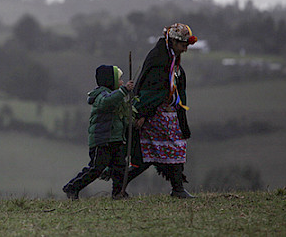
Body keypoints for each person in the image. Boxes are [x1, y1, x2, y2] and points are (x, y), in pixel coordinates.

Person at [123, 23, 197, 198]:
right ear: (173, 41)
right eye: (183, 45)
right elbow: (150, 92)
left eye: (187, 45)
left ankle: (177, 188)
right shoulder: (159, 60)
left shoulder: (171, 60)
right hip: (156, 116)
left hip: (169, 117)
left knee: (164, 152)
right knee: (159, 152)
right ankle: (176, 188)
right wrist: (142, 114)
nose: (185, 49)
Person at [62, 65, 134, 200]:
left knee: (120, 168)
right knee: (96, 168)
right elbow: (107, 102)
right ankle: (72, 187)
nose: (122, 82)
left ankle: (118, 193)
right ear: (110, 81)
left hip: (115, 139)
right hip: (102, 140)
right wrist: (124, 91)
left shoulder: (116, 95)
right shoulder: (101, 95)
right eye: (119, 79)